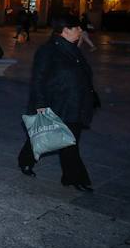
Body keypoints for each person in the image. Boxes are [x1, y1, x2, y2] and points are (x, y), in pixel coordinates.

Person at [17, 15, 97, 191]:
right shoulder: (48, 51)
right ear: (65, 30)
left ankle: (28, 161)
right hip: (56, 102)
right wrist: (40, 103)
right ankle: (75, 178)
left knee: (62, 139)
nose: (80, 31)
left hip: (74, 103)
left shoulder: (73, 48)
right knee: (63, 140)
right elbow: (38, 78)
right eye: (77, 28)